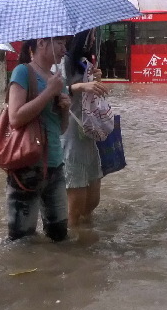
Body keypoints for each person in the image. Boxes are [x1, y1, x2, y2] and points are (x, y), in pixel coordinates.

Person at [6, 37, 71, 242]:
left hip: (55, 165)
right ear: (42, 43)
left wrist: (66, 109)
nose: (64, 49)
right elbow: (15, 117)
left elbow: (61, 129)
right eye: (59, 43)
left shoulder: (56, 78)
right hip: (27, 167)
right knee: (22, 241)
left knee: (60, 237)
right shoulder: (23, 72)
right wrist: (49, 92)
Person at [60, 30, 108, 228]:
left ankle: (86, 236)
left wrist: (95, 77)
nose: (94, 39)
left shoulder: (84, 62)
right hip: (71, 133)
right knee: (76, 204)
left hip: (89, 132)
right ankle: (72, 246)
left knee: (93, 199)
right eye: (91, 35)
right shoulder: (62, 62)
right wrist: (79, 87)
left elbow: (94, 95)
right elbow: (55, 92)